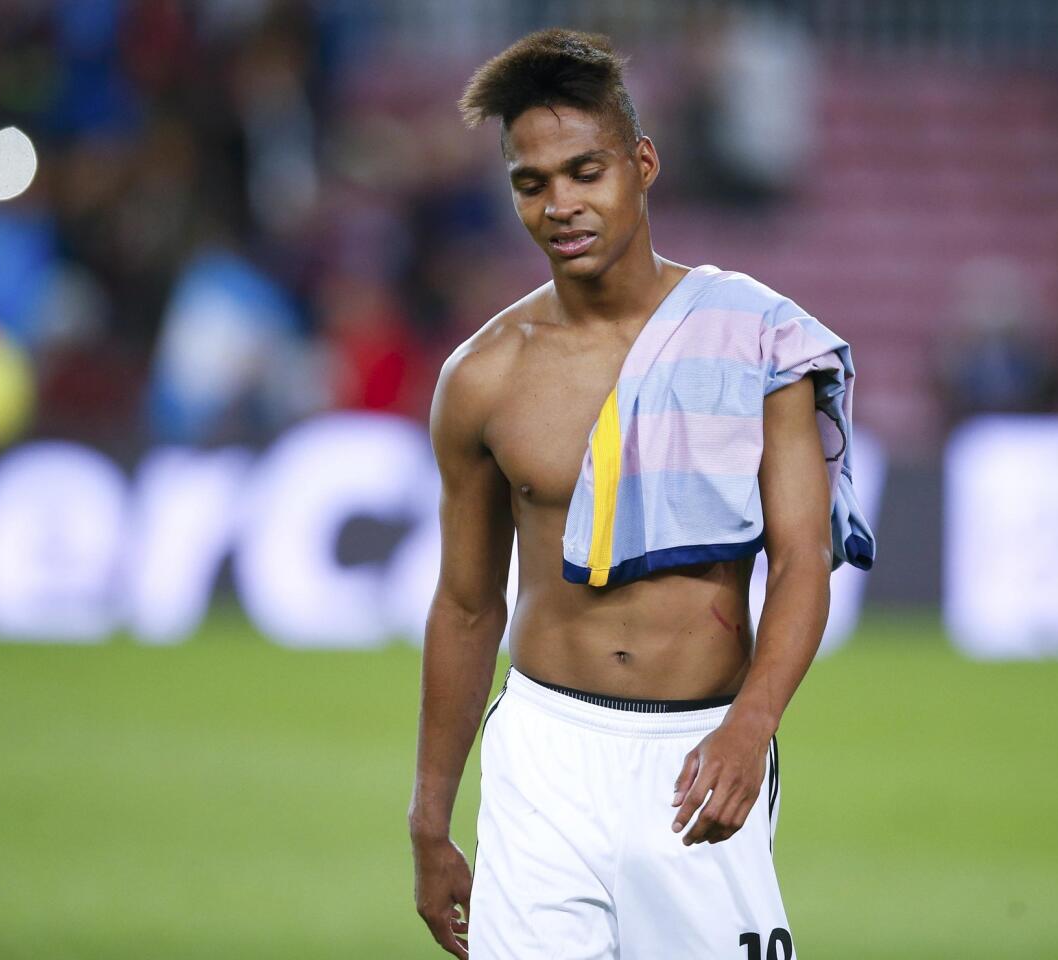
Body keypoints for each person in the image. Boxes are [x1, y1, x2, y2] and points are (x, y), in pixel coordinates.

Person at [409, 28, 872, 960]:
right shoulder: (482, 378)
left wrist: (752, 726)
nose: (561, 205)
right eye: (530, 183)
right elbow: (465, 604)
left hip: (699, 751)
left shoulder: (755, 345)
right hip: (543, 750)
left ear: (643, 162)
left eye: (585, 171)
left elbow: (801, 562)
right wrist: (429, 817)